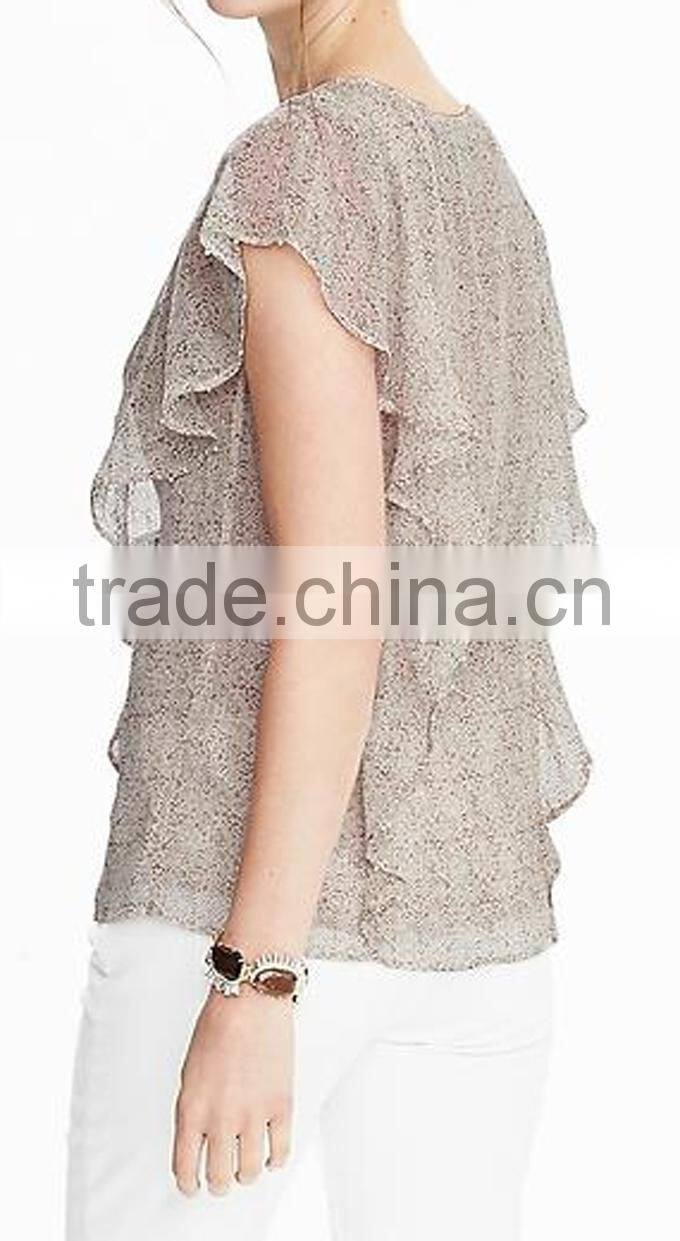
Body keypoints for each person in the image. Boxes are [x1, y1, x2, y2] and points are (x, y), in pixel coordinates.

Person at [66, 2, 595, 1238]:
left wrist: (255, 973)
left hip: (244, 925)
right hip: (474, 945)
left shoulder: (305, 163)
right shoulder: (485, 179)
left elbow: (336, 593)